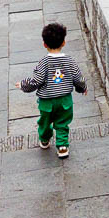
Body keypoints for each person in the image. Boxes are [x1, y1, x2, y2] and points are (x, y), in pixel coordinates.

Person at [16, 22, 86, 159]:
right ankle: (62, 147)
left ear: (44, 44)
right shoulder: (69, 61)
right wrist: (82, 88)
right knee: (62, 123)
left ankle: (44, 139)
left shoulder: (43, 62)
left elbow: (36, 81)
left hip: (46, 101)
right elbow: (78, 78)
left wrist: (24, 85)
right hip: (65, 100)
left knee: (45, 121)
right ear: (64, 42)